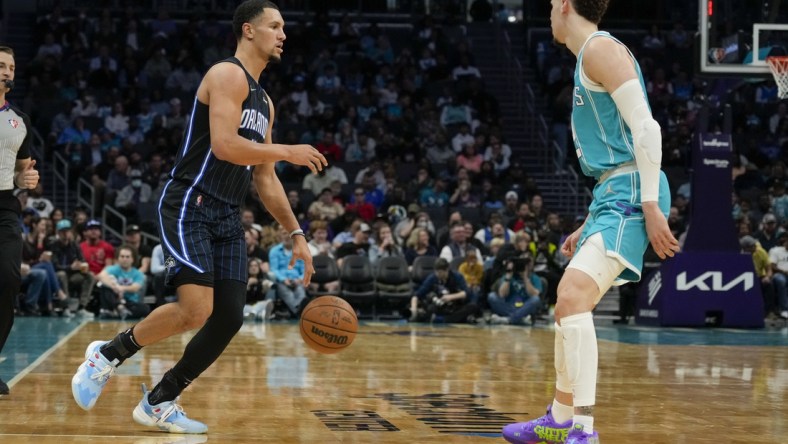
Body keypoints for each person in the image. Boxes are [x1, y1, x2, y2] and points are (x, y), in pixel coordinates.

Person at [71, 1, 327, 434]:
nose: (283, 34)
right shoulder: (226, 75)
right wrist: (288, 150)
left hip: (227, 212)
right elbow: (225, 146)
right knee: (196, 309)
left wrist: (297, 233)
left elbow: (264, 179)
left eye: (284, 27)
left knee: (229, 317)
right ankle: (107, 355)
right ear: (248, 30)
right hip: (190, 201)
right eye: (275, 26)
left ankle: (161, 399)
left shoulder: (265, 102)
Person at [501, 1, 678, 443]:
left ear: (565, 5)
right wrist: (591, 219)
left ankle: (581, 430)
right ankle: (559, 420)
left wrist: (651, 205)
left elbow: (647, 128)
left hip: (635, 191)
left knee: (573, 297)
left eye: (549, 5)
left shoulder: (601, 49)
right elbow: (616, 154)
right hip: (613, 193)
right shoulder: (591, 56)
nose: (547, 14)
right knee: (566, 304)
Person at [0, 45, 39, 396]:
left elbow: (21, 170)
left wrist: (24, 180)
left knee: (9, 279)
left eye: (11, 66)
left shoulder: (19, 120)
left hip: (4, 208)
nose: (7, 71)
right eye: (0, 65)